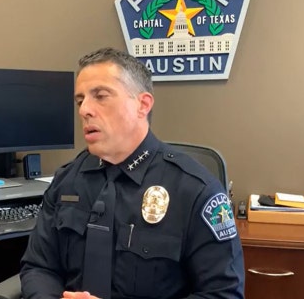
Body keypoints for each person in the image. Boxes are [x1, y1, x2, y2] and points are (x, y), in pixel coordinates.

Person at [20, 47, 245, 299]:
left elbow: (223, 294)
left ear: (143, 104)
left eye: (101, 96)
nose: (84, 110)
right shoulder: (66, 182)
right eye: (80, 100)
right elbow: (39, 267)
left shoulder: (196, 190)